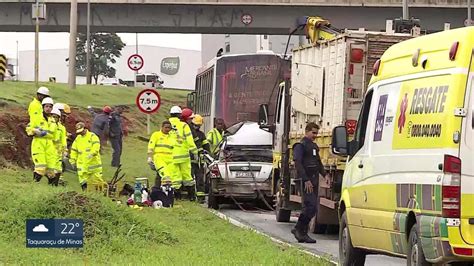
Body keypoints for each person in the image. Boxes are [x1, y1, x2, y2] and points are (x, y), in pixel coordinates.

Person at [291, 122, 330, 243]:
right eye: (313, 133)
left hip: (314, 180)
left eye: (316, 133)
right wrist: (305, 179)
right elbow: (298, 163)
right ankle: (299, 229)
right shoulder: (300, 146)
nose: (315, 135)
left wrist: (325, 174)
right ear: (306, 131)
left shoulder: (313, 146)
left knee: (312, 208)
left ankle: (301, 231)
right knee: (310, 206)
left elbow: (318, 163)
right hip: (305, 180)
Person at [25, 97, 58, 183]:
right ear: (43, 107)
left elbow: (53, 134)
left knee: (51, 170)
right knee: (40, 167)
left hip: (49, 146)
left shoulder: (52, 121)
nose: (48, 108)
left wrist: (44, 133)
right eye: (46, 106)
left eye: (50, 107)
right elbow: (29, 128)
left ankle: (51, 190)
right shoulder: (37, 118)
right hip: (38, 144)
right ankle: (34, 184)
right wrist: (34, 131)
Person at [168, 106, 198, 201]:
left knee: (175, 177)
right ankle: (191, 197)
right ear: (179, 115)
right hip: (184, 156)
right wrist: (195, 152)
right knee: (187, 177)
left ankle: (177, 197)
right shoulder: (184, 125)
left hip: (171, 156)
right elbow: (190, 140)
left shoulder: (166, 125)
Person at [69, 122, 105, 191]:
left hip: (93, 164)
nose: (80, 133)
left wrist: (92, 153)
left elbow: (96, 146)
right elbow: (74, 150)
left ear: (85, 129)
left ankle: (100, 194)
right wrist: (72, 160)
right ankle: (85, 194)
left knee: (97, 181)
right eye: (79, 132)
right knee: (83, 182)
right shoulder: (78, 139)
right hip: (82, 165)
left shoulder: (92, 136)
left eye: (81, 131)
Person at [147, 120, 176, 188]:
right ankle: (160, 190)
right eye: (166, 127)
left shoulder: (172, 136)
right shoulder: (156, 135)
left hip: (170, 159)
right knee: (165, 175)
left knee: (170, 176)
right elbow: (151, 146)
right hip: (159, 158)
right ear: (162, 127)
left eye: (169, 128)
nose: (167, 129)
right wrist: (150, 157)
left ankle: (164, 191)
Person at [190, 114, 210, 199]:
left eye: (198, 125)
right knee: (189, 179)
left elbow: (206, 145)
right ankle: (189, 195)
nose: (197, 127)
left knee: (200, 178)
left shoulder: (201, 134)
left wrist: (208, 154)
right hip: (189, 160)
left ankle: (200, 196)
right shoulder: (188, 133)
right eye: (195, 125)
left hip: (199, 161)